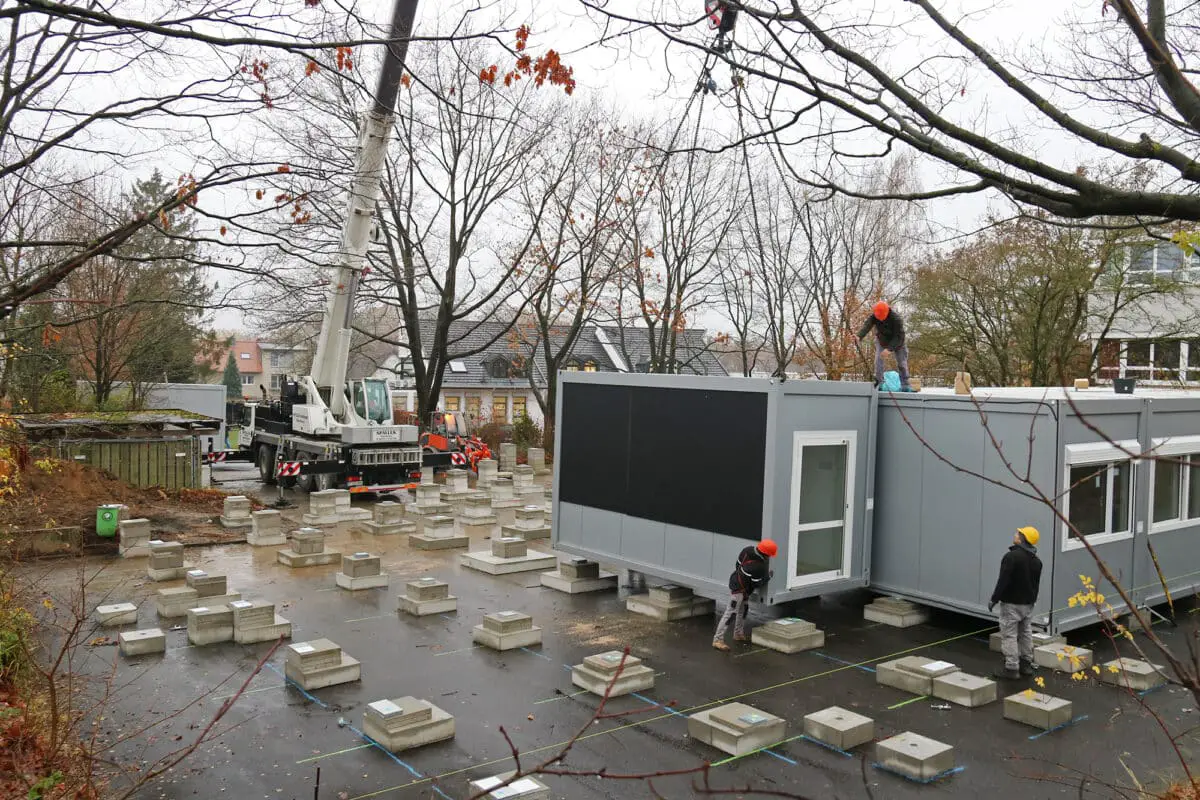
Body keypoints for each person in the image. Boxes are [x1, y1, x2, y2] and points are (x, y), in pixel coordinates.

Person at [988, 526, 1044, 679]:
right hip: (1028, 604)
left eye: (1018, 533)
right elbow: (1035, 585)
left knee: (1009, 635)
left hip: (1011, 604)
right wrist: (1031, 601)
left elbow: (1003, 580)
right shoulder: (1037, 562)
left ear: (1022, 538)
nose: (1015, 534)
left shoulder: (1011, 557)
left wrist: (994, 599)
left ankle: (1011, 668)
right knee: (1026, 632)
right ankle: (1026, 663)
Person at [712, 539, 776, 652]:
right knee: (730, 613)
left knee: (744, 609)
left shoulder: (747, 550)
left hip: (738, 582)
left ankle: (738, 634)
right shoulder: (760, 566)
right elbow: (757, 583)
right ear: (766, 554)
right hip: (739, 589)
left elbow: (737, 564)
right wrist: (768, 577)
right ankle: (717, 640)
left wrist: (743, 578)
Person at [857, 301, 911, 391]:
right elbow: (867, 325)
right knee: (878, 361)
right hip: (882, 341)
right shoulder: (874, 316)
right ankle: (880, 383)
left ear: (886, 312)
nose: (880, 319)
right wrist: (859, 336)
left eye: (881, 317)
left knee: (902, 363)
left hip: (898, 342)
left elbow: (898, 337)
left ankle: (905, 384)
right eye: (878, 317)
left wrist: (889, 349)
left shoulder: (896, 319)